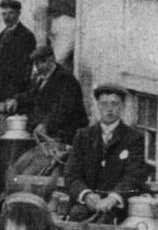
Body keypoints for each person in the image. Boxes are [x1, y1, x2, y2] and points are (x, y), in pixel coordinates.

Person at [63, 83, 151, 222]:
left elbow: (134, 175)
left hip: (118, 208)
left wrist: (113, 198)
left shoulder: (133, 138)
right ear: (97, 106)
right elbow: (71, 173)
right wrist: (86, 195)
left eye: (115, 104)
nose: (109, 109)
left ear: (122, 106)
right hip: (85, 206)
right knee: (74, 223)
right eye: (104, 104)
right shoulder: (83, 136)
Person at [14, 45, 88, 144]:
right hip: (45, 135)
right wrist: (16, 100)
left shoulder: (65, 79)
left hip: (65, 137)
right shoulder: (42, 78)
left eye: (38, 64)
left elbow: (63, 109)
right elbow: (31, 95)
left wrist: (46, 125)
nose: (36, 68)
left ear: (49, 61)